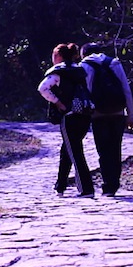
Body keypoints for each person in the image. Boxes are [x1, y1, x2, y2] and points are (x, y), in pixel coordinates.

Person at [37, 43, 95, 198]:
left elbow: (43, 88)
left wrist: (58, 102)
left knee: (74, 151)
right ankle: (60, 186)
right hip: (84, 113)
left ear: (58, 56)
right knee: (67, 150)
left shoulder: (58, 72)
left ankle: (86, 188)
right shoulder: (80, 70)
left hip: (69, 115)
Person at [80, 42, 133, 197]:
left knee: (103, 150)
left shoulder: (84, 66)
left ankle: (107, 187)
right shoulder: (114, 63)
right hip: (118, 113)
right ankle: (114, 184)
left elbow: (86, 92)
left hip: (98, 115)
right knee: (115, 148)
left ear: (83, 53)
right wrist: (130, 115)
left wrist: (84, 116)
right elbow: (126, 89)